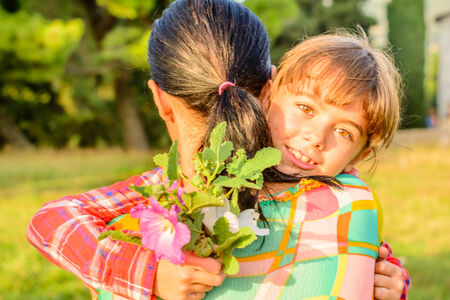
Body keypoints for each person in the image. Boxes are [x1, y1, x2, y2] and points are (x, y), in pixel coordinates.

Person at [26, 0, 409, 299]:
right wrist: (150, 275)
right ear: (270, 90)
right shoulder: (178, 188)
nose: (314, 138)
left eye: (343, 131)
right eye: (305, 110)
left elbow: (367, 259)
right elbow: (49, 221)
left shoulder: (334, 192)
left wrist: (392, 279)